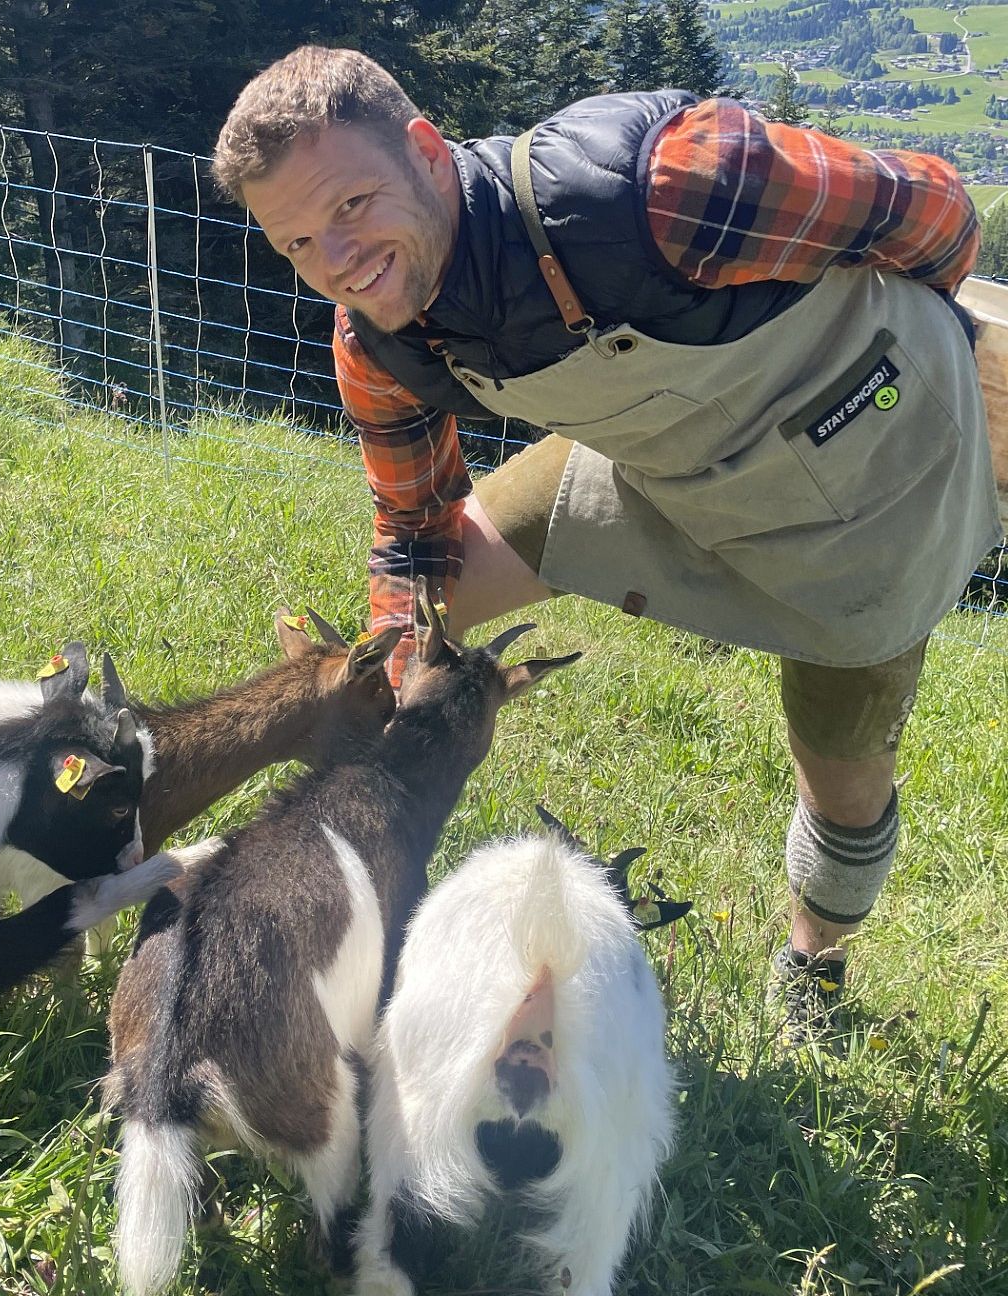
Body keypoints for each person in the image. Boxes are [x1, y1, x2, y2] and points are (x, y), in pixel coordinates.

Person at [210, 46, 1001, 1044]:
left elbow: (936, 212)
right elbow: (415, 537)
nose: (337, 260)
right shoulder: (378, 346)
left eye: (353, 204)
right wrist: (394, 689)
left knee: (845, 784)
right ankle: (295, 862)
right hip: (662, 464)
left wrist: (906, 368)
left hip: (876, 485)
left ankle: (815, 966)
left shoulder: (661, 188)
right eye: (298, 243)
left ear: (426, 151)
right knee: (412, 635)